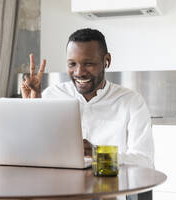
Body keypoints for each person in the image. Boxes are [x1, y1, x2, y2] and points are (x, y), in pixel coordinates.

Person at [21, 28, 154, 168]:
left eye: (88, 64)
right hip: (58, 185)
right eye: (72, 64)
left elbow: (145, 160)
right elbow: (32, 151)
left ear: (106, 61)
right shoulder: (50, 96)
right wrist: (31, 107)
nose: (79, 72)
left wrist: (98, 154)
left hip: (110, 188)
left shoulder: (131, 102)